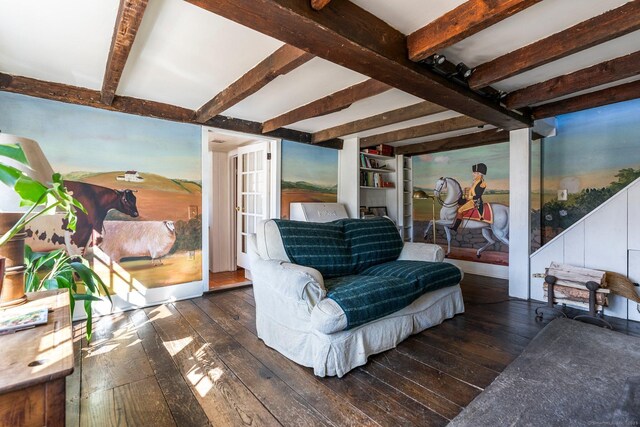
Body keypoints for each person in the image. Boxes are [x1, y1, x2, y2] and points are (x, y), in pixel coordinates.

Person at [449, 163, 487, 231]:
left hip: (475, 202)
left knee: (460, 210)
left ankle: (455, 228)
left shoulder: (482, 183)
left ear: (479, 174)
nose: (473, 174)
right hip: (469, 199)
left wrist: (470, 197)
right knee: (458, 202)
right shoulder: (475, 181)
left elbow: (478, 195)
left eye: (475, 173)